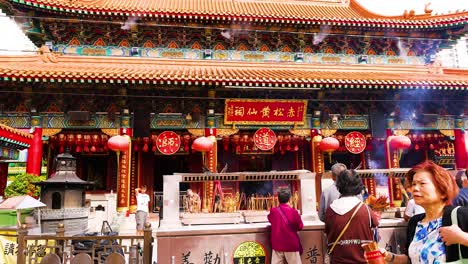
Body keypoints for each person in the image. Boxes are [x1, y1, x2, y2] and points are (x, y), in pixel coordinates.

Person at [381, 161, 468, 263]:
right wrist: (389, 257)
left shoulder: (460, 215)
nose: (415, 188)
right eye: (413, 184)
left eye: (422, 183)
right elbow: (412, 260)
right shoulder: (415, 222)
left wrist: (462, 237)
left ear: (443, 191)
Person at [325, 170, 379, 264]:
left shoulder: (330, 210)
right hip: (362, 261)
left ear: (339, 185)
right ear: (358, 186)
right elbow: (375, 229)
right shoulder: (365, 209)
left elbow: (327, 233)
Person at [268, 188, 303, 264]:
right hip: (291, 245)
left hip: (277, 245)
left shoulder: (273, 211)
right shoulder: (293, 212)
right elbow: (300, 226)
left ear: (278, 199)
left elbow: (270, 219)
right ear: (290, 198)